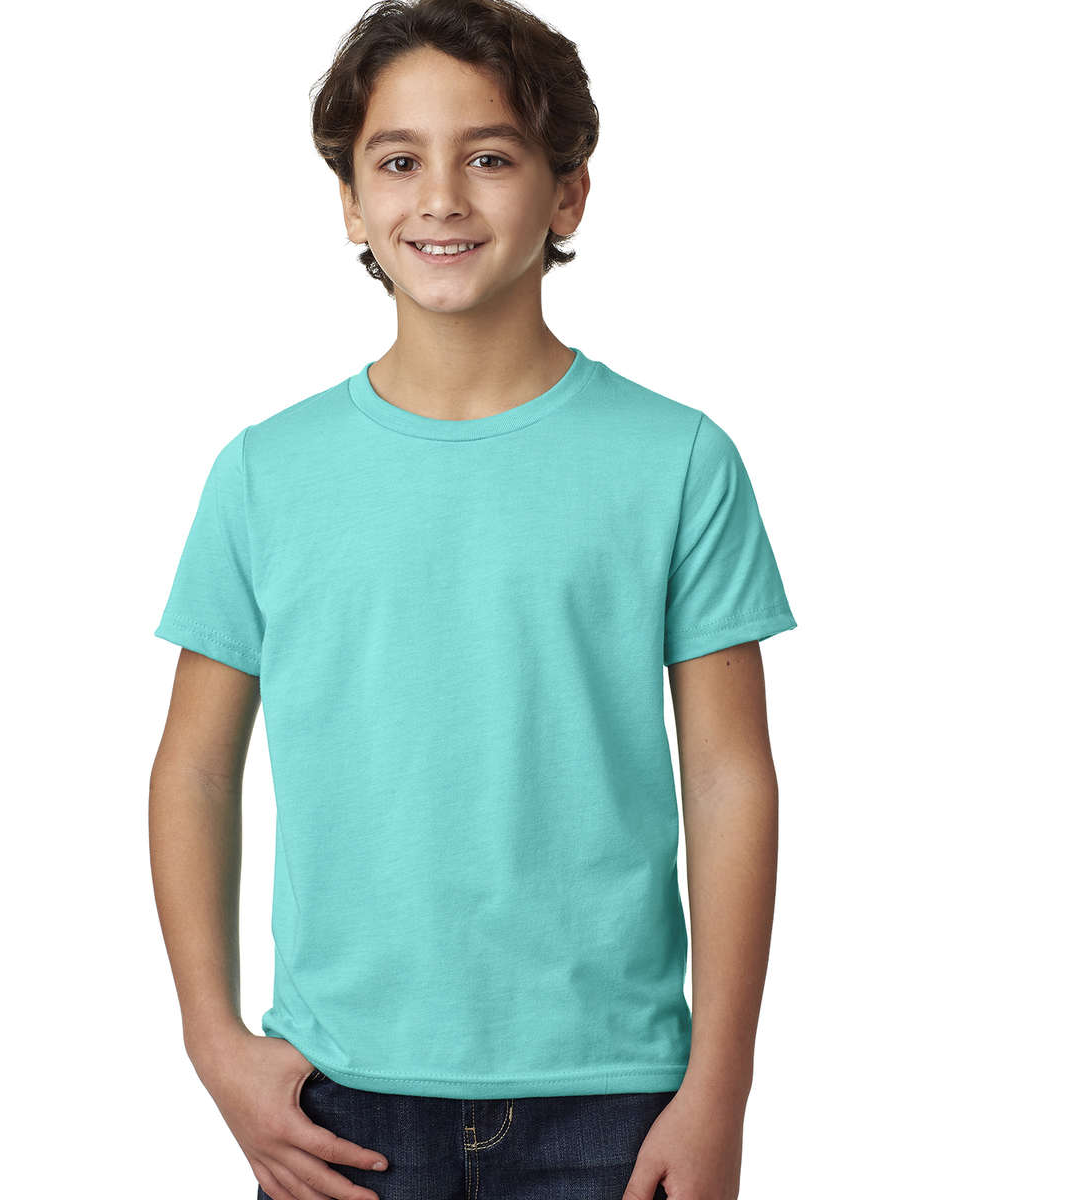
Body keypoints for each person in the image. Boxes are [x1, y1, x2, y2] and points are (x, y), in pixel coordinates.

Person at [149, 1, 797, 1197]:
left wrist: (721, 1087)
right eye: (398, 162)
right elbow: (193, 766)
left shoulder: (678, 461)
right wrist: (211, 1040)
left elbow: (728, 778)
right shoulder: (264, 473)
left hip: (617, 1096)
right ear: (351, 202)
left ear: (568, 193)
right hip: (336, 1097)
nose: (440, 198)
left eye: (489, 158)